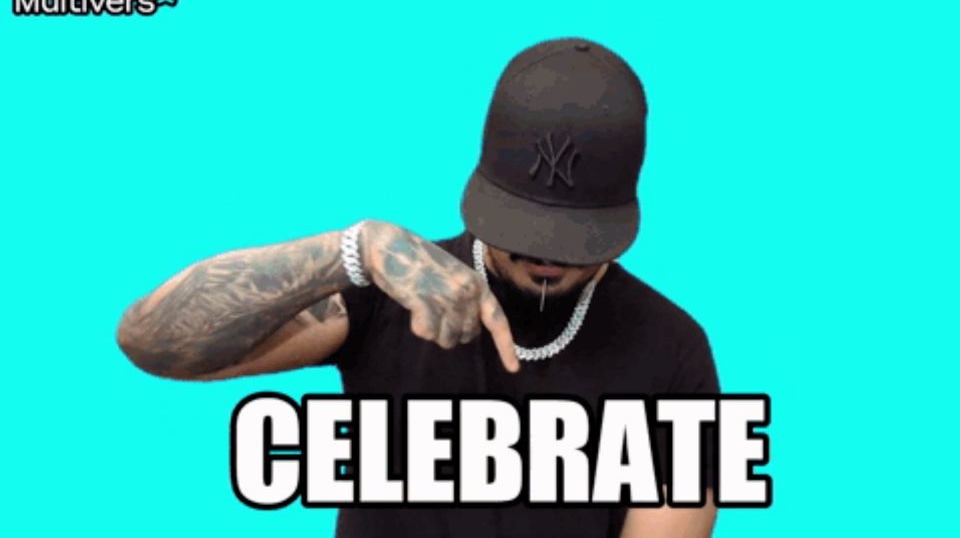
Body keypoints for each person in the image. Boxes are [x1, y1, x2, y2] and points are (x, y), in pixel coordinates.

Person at [117, 37, 720, 538]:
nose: (545, 254)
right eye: (527, 227)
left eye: (572, 237)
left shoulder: (672, 351)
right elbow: (150, 340)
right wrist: (353, 253)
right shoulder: (390, 292)